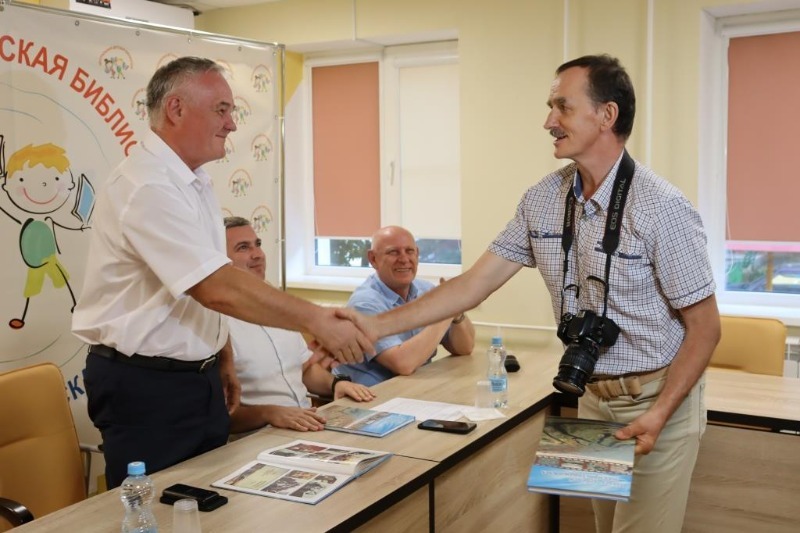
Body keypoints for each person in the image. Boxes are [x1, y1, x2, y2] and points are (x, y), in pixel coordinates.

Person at [339, 55, 720, 533]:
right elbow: (471, 285)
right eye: (549, 107)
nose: (548, 121)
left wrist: (661, 413)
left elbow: (706, 328)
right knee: (598, 528)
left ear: (607, 115)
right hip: (587, 394)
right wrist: (374, 325)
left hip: (657, 400)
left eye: (562, 107)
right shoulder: (541, 199)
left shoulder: (663, 207)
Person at [72, 57, 372, 488]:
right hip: (147, 384)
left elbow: (202, 283)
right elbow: (215, 287)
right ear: (176, 109)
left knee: (212, 498)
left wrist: (222, 355)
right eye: (221, 110)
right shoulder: (146, 186)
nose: (231, 124)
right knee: (160, 504)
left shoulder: (194, 182)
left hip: (197, 377)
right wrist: (318, 320)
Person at [223, 216, 375, 434]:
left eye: (258, 244)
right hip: (259, 436)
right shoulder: (215, 325)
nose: (257, 254)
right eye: (243, 248)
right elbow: (222, 418)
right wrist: (269, 413)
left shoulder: (279, 306)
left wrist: (336, 384)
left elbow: (304, 369)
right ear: (220, 262)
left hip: (307, 423)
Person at [333, 226, 475, 386]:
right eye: (393, 252)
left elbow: (465, 348)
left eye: (409, 251)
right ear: (373, 259)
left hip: (412, 387)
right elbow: (403, 364)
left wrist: (456, 312)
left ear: (417, 254)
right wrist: (447, 309)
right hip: (374, 394)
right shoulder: (364, 304)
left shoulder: (426, 290)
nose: (404, 259)